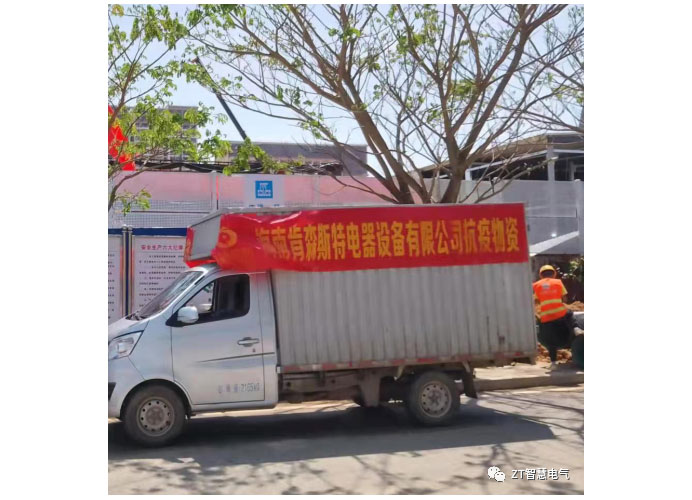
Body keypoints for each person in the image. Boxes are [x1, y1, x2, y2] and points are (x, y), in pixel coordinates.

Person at [533, 265, 574, 371]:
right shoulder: (558, 282)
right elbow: (565, 299)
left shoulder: (536, 285)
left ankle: (554, 363)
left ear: (541, 275)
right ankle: (576, 329)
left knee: (551, 341)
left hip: (546, 316)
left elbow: (537, 300)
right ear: (554, 274)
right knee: (570, 313)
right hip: (559, 314)